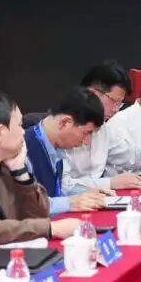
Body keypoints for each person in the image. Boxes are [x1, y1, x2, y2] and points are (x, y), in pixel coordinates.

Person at [0, 91, 80, 255]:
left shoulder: (4, 160)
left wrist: (21, 173)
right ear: (0, 132)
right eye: (19, 125)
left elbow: (39, 216)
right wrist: (51, 228)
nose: (24, 132)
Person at [24, 87, 111, 216]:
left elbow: (55, 191)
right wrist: (69, 203)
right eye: (86, 133)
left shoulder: (57, 147)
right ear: (64, 122)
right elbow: (27, 205)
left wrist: (86, 192)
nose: (86, 141)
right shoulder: (23, 150)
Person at [64, 61, 141, 192]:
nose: (115, 110)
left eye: (119, 104)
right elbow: (62, 185)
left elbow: (131, 156)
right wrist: (110, 183)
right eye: (114, 101)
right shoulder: (65, 127)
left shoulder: (104, 129)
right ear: (93, 94)